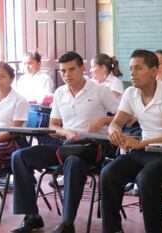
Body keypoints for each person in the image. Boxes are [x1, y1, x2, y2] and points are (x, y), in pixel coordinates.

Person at [10, 51, 119, 233]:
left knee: (73, 162)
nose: (67, 75)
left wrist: (103, 121)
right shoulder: (60, 93)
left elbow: (124, 117)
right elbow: (54, 125)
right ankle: (31, 217)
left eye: (71, 70)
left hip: (90, 147)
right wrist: (65, 132)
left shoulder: (100, 90)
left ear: (82, 69)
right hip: (65, 145)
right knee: (19, 156)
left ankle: (68, 223)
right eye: (63, 71)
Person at [101, 49, 162, 233]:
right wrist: (114, 130)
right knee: (108, 173)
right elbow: (116, 122)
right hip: (145, 153)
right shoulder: (131, 93)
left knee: (145, 179)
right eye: (131, 68)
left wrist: (142, 143)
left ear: (154, 71)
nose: (132, 73)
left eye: (138, 68)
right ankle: (112, 229)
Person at [0, 62, 28, 224]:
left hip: (11, 142)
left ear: (11, 79)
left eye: (2, 76)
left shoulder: (19, 100)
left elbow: (12, 132)